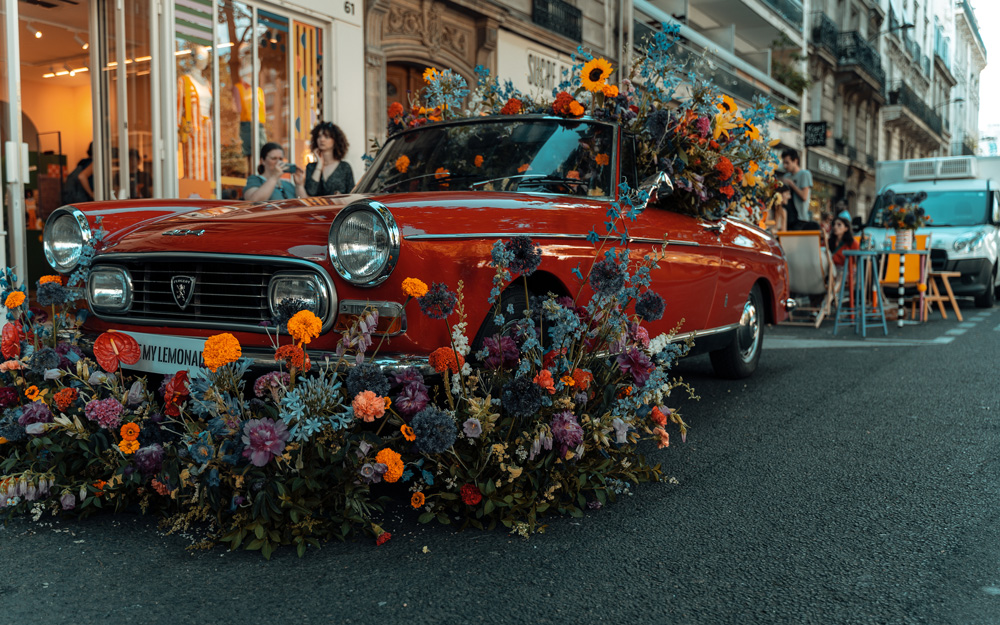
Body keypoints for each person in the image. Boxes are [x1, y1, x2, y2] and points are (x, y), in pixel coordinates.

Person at [304, 122, 354, 196]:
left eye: (327, 137)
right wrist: (319, 165)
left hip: (339, 207)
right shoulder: (311, 167)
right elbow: (311, 192)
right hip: (318, 207)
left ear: (335, 140)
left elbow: (352, 194)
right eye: (319, 136)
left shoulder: (345, 167)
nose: (322, 140)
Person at [780, 148, 813, 231]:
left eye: (787, 163)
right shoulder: (786, 176)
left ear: (795, 161)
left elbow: (804, 196)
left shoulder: (804, 174)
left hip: (800, 219)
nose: (785, 166)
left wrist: (791, 184)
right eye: (784, 163)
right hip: (787, 217)